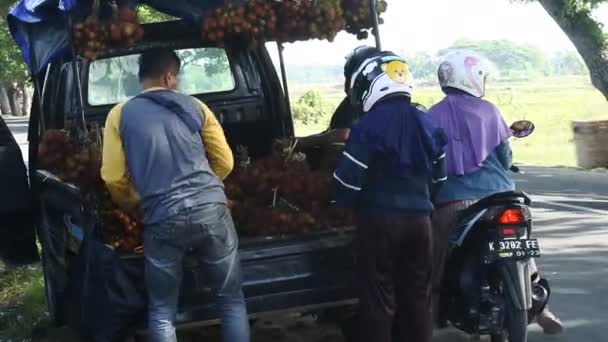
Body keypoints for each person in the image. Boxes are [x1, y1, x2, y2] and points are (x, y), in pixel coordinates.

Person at [101, 48, 249, 342]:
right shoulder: (197, 107)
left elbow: (113, 176)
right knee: (231, 301)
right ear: (169, 76)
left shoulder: (120, 114)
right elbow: (226, 162)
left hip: (162, 216)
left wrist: (136, 202)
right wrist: (206, 188)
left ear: (141, 77)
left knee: (161, 310)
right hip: (212, 210)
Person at [427, 50, 563, 335]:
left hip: (454, 204)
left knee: (437, 254)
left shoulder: (431, 117)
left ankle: (433, 311)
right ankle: (542, 307)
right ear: (472, 77)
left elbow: (428, 165)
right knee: (521, 245)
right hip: (502, 198)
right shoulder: (489, 110)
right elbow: (504, 158)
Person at [333, 50, 447, 342]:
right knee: (419, 297)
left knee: (379, 299)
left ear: (369, 85)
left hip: (379, 223)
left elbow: (347, 182)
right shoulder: (428, 122)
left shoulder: (366, 127)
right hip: (421, 223)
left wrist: (341, 204)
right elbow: (440, 179)